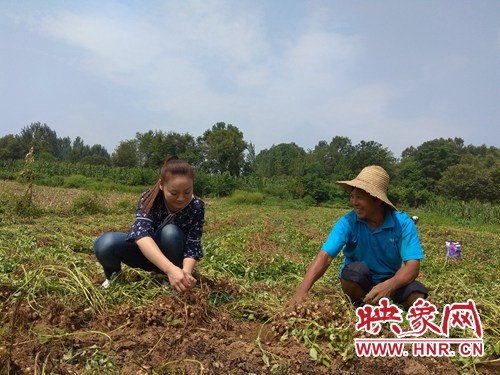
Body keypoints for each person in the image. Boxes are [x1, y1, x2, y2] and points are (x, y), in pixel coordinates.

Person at [289, 165, 427, 309]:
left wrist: (388, 286)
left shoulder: (402, 224)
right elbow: (325, 257)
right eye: (352, 196)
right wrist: (301, 291)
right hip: (359, 281)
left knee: (417, 296)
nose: (354, 202)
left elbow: (412, 267)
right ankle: (360, 305)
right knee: (354, 271)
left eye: (360, 197)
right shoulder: (348, 222)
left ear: (378, 200)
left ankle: (385, 303)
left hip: (390, 282)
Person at [94, 156, 204, 293]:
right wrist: (169, 268)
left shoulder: (196, 206)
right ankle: (114, 279)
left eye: (187, 192)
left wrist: (185, 273)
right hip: (147, 254)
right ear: (161, 185)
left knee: (170, 232)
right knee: (105, 243)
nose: (181, 198)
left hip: (175, 258)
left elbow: (193, 244)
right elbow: (141, 235)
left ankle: (171, 280)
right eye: (174, 193)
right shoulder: (149, 198)